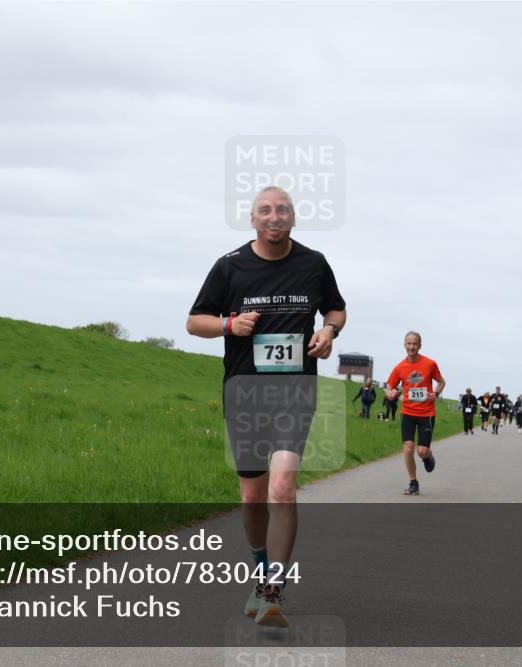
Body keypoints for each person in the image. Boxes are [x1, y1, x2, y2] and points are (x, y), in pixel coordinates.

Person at [186, 186, 346, 628]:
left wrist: (330, 332)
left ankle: (273, 589)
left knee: (282, 489)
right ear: (253, 219)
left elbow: (336, 308)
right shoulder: (230, 267)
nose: (274, 216)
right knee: (253, 497)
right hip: (245, 395)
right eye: (265, 210)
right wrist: (228, 324)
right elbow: (194, 321)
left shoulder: (313, 264)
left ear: (293, 218)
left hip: (295, 394)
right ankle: (259, 573)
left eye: (283, 210)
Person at [386, 331, 445, 495]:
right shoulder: (399, 368)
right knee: (408, 448)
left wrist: (436, 393)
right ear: (404, 345)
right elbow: (389, 388)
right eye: (409, 343)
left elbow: (441, 382)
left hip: (427, 413)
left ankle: (428, 455)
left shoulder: (430, 364)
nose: (412, 347)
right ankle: (413, 483)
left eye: (415, 344)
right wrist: (391, 394)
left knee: (421, 451)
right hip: (408, 413)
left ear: (419, 345)